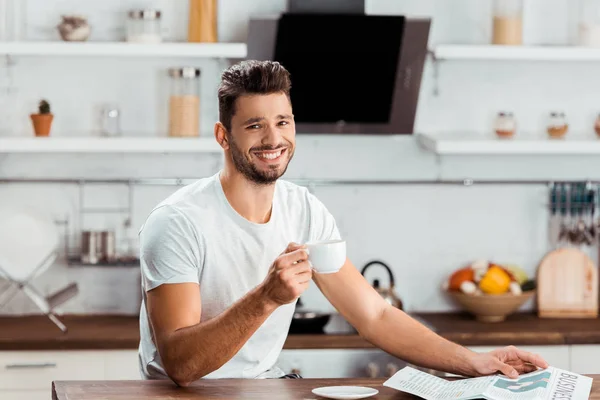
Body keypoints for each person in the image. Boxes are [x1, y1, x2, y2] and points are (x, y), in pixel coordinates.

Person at [137, 60, 549, 386]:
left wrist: (472, 361)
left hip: (258, 389)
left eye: (283, 121)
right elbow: (180, 365)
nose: (273, 139)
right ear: (223, 136)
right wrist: (266, 297)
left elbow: (374, 315)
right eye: (254, 125)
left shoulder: (305, 210)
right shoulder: (178, 223)